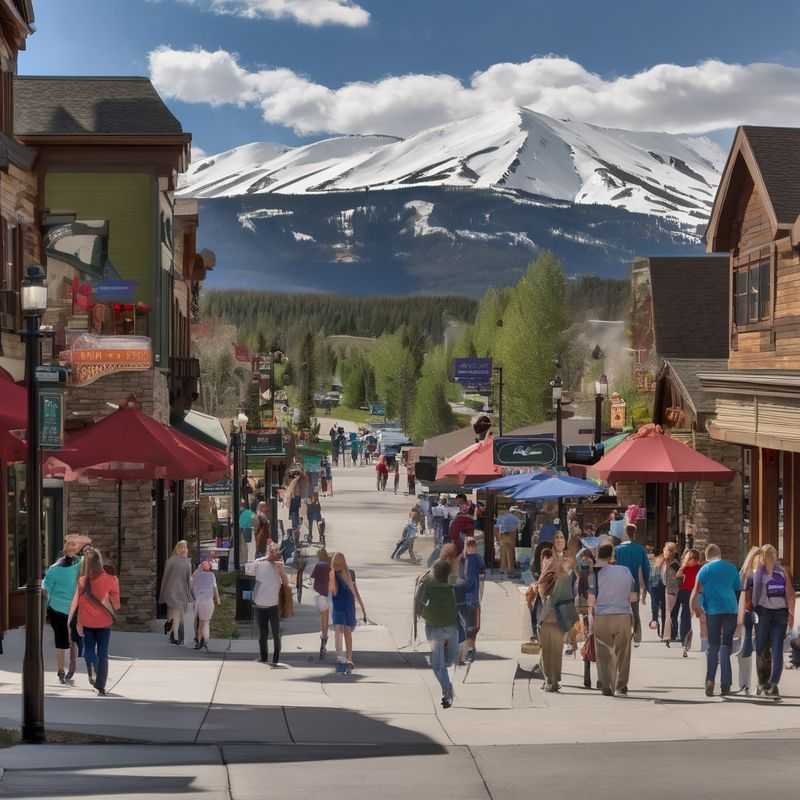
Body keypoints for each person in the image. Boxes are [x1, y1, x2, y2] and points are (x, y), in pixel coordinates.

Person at [69, 547, 120, 696]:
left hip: (87, 624)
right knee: (103, 653)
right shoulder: (111, 579)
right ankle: (101, 685)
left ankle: (96, 670)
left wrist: (78, 623)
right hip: (104, 622)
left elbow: (79, 604)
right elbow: (116, 604)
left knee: (88, 652)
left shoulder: (82, 581)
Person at [746, 544, 795, 698]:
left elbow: (750, 594)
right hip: (781, 613)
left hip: (763, 613)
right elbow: (790, 595)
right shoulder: (783, 572)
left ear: (761, 556)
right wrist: (791, 615)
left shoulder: (756, 573)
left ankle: (762, 683)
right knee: (777, 649)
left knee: (761, 648)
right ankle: (773, 685)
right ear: (775, 556)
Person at [691, 544, 740, 696]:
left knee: (713, 645)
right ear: (720, 554)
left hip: (713, 611)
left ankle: (710, 680)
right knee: (726, 645)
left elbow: (695, 592)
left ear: (707, 557)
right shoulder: (732, 568)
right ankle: (726, 684)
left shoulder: (704, 569)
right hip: (730, 610)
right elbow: (737, 589)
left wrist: (696, 609)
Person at [588, 543, 635, 697]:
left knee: (603, 652)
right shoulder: (625, 570)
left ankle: (606, 685)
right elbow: (633, 596)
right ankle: (621, 685)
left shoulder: (594, 573)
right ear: (612, 556)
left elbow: (591, 599)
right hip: (623, 615)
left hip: (602, 616)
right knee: (623, 652)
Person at [415, 558, 458, 708]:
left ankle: (447, 690)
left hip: (434, 627)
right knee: (448, 661)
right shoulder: (452, 582)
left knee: (438, 665)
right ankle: (447, 690)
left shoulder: (427, 583)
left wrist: (421, 614)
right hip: (451, 626)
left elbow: (418, 602)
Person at [43, 536, 85, 684]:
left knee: (59, 640)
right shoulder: (81, 564)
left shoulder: (54, 569)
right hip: (73, 608)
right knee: (73, 638)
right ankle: (71, 668)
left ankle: (61, 670)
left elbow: (46, 588)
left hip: (56, 608)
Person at [537, 550, 577, 692]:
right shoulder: (564, 578)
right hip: (559, 621)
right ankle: (554, 681)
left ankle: (549, 681)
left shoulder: (543, 580)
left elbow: (543, 600)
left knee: (546, 653)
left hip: (546, 621)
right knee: (556, 652)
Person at [249, 542, 290, 666]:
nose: (273, 555)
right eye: (271, 552)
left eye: (275, 552)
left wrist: (281, 571)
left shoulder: (279, 565)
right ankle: (263, 657)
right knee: (263, 633)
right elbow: (250, 573)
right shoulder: (259, 562)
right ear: (268, 551)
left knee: (276, 633)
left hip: (273, 605)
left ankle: (276, 658)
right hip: (260, 604)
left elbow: (286, 583)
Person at [329, 552, 367, 674]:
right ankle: (349, 658)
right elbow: (355, 592)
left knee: (339, 633)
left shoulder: (333, 574)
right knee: (347, 633)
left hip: (339, 605)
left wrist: (331, 579)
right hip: (348, 605)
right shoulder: (350, 573)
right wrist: (362, 608)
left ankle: (341, 658)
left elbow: (334, 591)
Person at [614, 524, 650, 646]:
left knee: (621, 610)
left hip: (620, 585)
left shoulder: (617, 549)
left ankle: (623, 634)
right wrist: (646, 587)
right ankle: (637, 637)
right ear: (634, 533)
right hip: (633, 585)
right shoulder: (640, 549)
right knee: (635, 610)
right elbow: (646, 568)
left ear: (625, 533)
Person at [736, 546, 761, 694]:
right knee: (760, 649)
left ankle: (745, 684)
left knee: (745, 648)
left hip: (746, 613)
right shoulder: (762, 574)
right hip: (759, 614)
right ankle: (759, 683)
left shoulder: (744, 573)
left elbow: (739, 594)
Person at [159, 540, 193, 646]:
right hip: (180, 592)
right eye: (184, 547)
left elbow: (165, 577)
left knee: (174, 613)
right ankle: (177, 636)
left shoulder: (171, 561)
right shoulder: (186, 563)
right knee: (179, 615)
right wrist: (190, 594)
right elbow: (189, 581)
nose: (185, 549)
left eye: (185, 547)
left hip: (172, 592)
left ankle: (174, 634)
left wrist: (163, 593)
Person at [461, 537, 485, 662]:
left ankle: (470, 649)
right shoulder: (468, 558)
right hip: (467, 599)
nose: (471, 547)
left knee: (471, 627)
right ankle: (469, 650)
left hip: (470, 598)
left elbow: (482, 571)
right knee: (469, 626)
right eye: (469, 545)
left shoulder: (472, 558)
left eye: (472, 545)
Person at [675, 548, 701, 657]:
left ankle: (692, 638)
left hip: (696, 593)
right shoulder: (684, 568)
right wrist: (683, 565)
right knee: (685, 615)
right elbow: (678, 576)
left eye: (693, 558)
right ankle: (684, 638)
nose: (691, 560)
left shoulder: (700, 568)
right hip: (685, 592)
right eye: (689, 558)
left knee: (694, 616)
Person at [191, 561, 220, 651]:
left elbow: (191, 587)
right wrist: (218, 599)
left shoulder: (196, 575)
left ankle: (199, 639)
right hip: (207, 601)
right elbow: (215, 587)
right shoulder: (211, 575)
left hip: (197, 601)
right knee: (205, 622)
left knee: (199, 622)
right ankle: (204, 640)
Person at [311, 549, 331, 659]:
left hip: (320, 595)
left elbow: (313, 577)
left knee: (323, 619)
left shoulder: (318, 565)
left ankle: (323, 639)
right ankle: (324, 641)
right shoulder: (329, 565)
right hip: (328, 594)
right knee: (326, 620)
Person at [661, 542, 681, 645]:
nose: (663, 551)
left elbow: (681, 577)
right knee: (669, 613)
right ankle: (669, 635)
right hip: (668, 589)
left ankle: (669, 635)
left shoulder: (674, 564)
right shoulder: (667, 563)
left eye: (665, 549)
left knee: (669, 613)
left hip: (672, 590)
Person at [494, 506, 522, 575]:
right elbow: (519, 528)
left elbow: (496, 528)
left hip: (502, 535)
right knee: (510, 553)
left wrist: (497, 539)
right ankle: (510, 570)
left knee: (503, 552)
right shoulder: (515, 518)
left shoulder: (500, 517)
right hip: (511, 535)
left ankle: (502, 569)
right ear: (514, 512)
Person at [649, 545, 667, 638]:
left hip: (653, 585)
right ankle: (663, 630)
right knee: (664, 607)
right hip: (662, 585)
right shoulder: (663, 559)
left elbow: (649, 575)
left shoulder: (651, 561)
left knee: (654, 603)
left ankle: (655, 620)